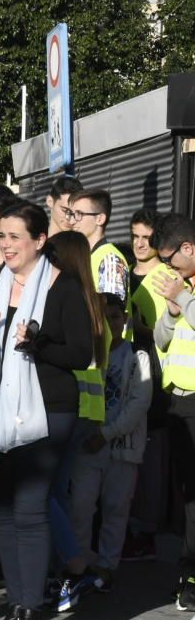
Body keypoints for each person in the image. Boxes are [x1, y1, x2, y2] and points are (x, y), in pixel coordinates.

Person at [0, 205, 96, 620]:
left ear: (39, 240)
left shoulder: (63, 286)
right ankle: (16, 606)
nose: (4, 244)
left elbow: (80, 353)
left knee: (29, 507)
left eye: (14, 236)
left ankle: (31, 614)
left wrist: (37, 341)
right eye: (1, 236)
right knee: (4, 508)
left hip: (50, 410)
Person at [70, 293, 152, 592]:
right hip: (86, 444)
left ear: (124, 320)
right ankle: (77, 562)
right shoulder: (86, 355)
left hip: (121, 446)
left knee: (115, 509)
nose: (109, 323)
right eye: (103, 317)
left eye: (115, 317)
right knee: (80, 508)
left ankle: (107, 565)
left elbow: (138, 404)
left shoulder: (136, 357)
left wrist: (107, 434)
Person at [151, 213, 195, 611]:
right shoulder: (183, 290)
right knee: (186, 494)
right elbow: (161, 339)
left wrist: (183, 299)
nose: (169, 270)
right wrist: (171, 312)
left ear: (189, 248)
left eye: (171, 260)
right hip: (178, 401)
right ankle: (188, 568)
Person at [123, 209, 170, 561]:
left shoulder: (164, 278)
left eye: (147, 238)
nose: (140, 244)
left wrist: (134, 326)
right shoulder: (123, 270)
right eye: (135, 236)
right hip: (121, 373)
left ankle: (146, 531)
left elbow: (163, 334)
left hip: (153, 376)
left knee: (149, 458)